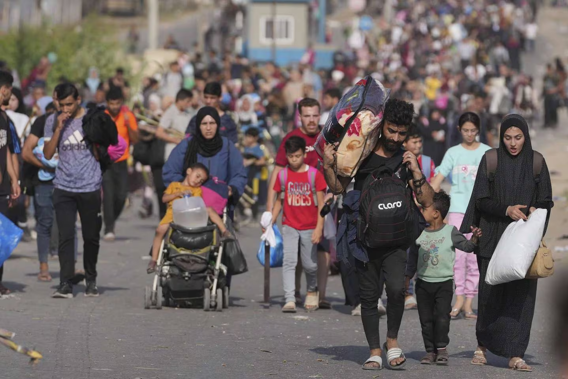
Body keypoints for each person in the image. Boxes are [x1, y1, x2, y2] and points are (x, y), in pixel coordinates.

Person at [324, 98, 435, 370]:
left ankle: (392, 341)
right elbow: (338, 188)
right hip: (364, 237)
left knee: (397, 291)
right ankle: (374, 350)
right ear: (382, 125)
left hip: (398, 238)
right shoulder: (362, 152)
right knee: (369, 295)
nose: (396, 138)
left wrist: (417, 171)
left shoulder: (407, 158)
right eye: (391, 130)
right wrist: (328, 164)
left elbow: (427, 200)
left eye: (402, 133)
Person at [460, 113, 553, 372]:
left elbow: (546, 198)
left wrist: (536, 211)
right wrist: (506, 210)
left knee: (521, 298)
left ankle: (516, 353)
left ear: (526, 137)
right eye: (508, 137)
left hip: (523, 242)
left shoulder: (537, 162)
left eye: (518, 137)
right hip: (492, 236)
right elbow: (481, 199)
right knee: (490, 294)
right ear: (501, 137)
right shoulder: (491, 159)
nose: (513, 143)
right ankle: (482, 346)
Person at [43, 84, 106, 298]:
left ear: (78, 99)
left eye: (69, 104)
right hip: (63, 187)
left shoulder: (91, 118)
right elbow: (48, 153)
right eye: (62, 105)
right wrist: (59, 128)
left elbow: (106, 145)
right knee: (66, 236)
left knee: (91, 237)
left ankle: (91, 278)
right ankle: (66, 283)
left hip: (89, 186)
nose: (66, 109)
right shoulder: (53, 120)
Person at [409, 190, 482, 365]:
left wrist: (475, 239)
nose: (421, 211)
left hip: (443, 284)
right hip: (422, 284)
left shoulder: (450, 231)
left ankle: (441, 349)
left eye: (424, 208)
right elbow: (412, 258)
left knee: (442, 317)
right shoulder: (419, 232)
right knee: (425, 320)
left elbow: (467, 247)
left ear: (436, 213)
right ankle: (429, 351)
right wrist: (406, 279)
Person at [431, 112, 491, 320]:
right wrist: (438, 212)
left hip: (479, 212)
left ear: (478, 130)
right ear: (459, 130)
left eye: (473, 130)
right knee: (458, 257)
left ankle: (469, 301)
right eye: (465, 130)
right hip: (456, 210)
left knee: (474, 258)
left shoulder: (487, 153)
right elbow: (436, 182)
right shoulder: (453, 153)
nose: (469, 134)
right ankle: (458, 297)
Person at [270, 136, 326, 313]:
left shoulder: (313, 175)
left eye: (298, 156)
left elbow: (322, 204)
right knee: (289, 261)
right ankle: (290, 298)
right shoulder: (283, 175)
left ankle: (311, 290)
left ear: (304, 154)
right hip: (290, 225)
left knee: (310, 264)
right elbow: (279, 200)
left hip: (310, 226)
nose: (294, 160)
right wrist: (271, 220)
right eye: (290, 156)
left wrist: (319, 228)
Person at [163, 106, 247, 215]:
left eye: (212, 123)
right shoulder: (186, 145)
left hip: (219, 204)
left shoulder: (227, 146)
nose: (208, 128)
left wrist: (232, 188)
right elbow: (170, 171)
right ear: (198, 125)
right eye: (204, 124)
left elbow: (239, 174)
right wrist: (185, 186)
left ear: (218, 124)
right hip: (188, 204)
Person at [147, 162, 229, 273]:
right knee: (160, 230)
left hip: (191, 214)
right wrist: (178, 194)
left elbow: (197, 204)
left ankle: (224, 231)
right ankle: (153, 259)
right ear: (189, 171)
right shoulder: (174, 185)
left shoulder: (197, 190)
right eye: (197, 176)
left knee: (209, 209)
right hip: (173, 214)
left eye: (201, 181)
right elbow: (164, 199)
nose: (197, 181)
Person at [102, 87, 139, 241]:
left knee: (121, 195)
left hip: (122, 161)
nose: (114, 107)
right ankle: (109, 228)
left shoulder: (127, 115)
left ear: (121, 102)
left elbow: (135, 139)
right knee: (109, 195)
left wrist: (128, 124)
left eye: (117, 103)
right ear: (107, 103)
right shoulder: (102, 116)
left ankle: (110, 220)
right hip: (106, 161)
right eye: (111, 103)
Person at [153, 89, 194, 218]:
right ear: (180, 100)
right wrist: (176, 140)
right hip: (172, 154)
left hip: (186, 155)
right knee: (172, 186)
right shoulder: (170, 112)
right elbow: (159, 132)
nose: (189, 104)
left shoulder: (188, 114)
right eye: (187, 101)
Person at [0, 70, 21, 295]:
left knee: (1, 235)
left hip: (3, 187)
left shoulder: (4, 117)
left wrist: (14, 179)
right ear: (4, 89)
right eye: (9, 89)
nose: (11, 94)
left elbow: (5, 150)